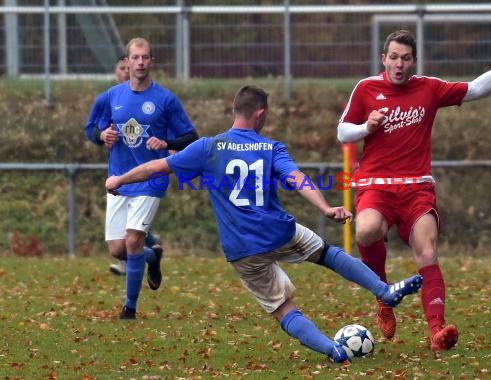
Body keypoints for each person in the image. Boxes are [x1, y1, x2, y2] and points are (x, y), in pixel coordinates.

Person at [105, 85, 423, 362]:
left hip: (242, 249)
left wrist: (120, 178)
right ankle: (383, 289)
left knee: (284, 308)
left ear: (236, 111)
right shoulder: (270, 147)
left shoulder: (208, 147)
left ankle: (332, 350)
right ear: (259, 114)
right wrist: (325, 207)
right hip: (279, 230)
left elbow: (157, 167)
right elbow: (296, 178)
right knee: (327, 253)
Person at [337, 30, 491, 351]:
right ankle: (383, 296)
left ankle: (437, 332)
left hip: (416, 189)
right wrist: (366, 128)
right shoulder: (366, 89)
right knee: (366, 231)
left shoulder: (428, 88)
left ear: (414, 61)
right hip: (378, 186)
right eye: (393, 57)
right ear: (383, 59)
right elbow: (343, 132)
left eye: (405, 58)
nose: (399, 64)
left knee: (427, 252)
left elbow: (475, 89)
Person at [98, 38, 199, 320]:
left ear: (151, 62)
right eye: (136, 58)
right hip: (119, 180)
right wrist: (102, 135)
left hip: (152, 179)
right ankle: (152, 258)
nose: (140, 62)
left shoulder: (165, 99)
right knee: (118, 249)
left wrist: (165, 141)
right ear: (126, 62)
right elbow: (99, 129)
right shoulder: (113, 96)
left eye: (145, 58)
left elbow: (192, 136)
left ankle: (129, 309)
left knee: (132, 243)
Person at [84, 54, 164, 277]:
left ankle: (130, 297)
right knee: (118, 247)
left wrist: (168, 145)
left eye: (127, 67)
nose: (126, 72)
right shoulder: (107, 99)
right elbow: (90, 130)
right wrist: (101, 135)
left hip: (145, 175)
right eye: (121, 68)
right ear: (117, 71)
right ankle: (149, 253)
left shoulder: (154, 99)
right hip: (117, 172)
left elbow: (162, 128)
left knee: (131, 237)